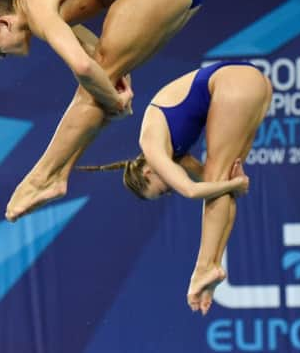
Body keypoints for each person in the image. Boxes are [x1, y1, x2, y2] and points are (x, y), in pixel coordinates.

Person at [0, 0, 205, 221]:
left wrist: (112, 100)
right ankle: (59, 175)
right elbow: (89, 49)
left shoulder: (35, 3)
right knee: (101, 87)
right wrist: (112, 85)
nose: (0, 55)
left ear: (4, 23)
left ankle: (40, 178)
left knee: (93, 89)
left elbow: (84, 68)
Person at [78, 62, 272, 315]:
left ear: (148, 172)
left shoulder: (151, 146)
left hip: (234, 83)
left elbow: (192, 190)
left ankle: (202, 268)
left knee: (219, 181)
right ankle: (212, 265)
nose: (169, 191)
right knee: (220, 183)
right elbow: (214, 185)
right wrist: (233, 185)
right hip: (255, 85)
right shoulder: (175, 154)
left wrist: (234, 184)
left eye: (161, 190)